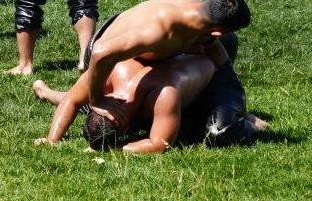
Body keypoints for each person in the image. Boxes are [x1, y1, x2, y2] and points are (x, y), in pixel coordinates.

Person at [32, 33, 266, 152]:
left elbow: (160, 144)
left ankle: (249, 121)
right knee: (83, 98)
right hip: (179, 57)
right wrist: (52, 139)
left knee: (205, 133)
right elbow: (74, 99)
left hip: (215, 65)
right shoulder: (111, 81)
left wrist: (117, 148)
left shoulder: (163, 95)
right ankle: (45, 91)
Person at [84, 0, 252, 112]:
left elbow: (217, 54)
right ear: (216, 32)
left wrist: (234, 97)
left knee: (227, 42)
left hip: (132, 49)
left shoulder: (195, 8)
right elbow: (100, 53)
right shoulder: (159, 32)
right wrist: (96, 99)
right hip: (100, 59)